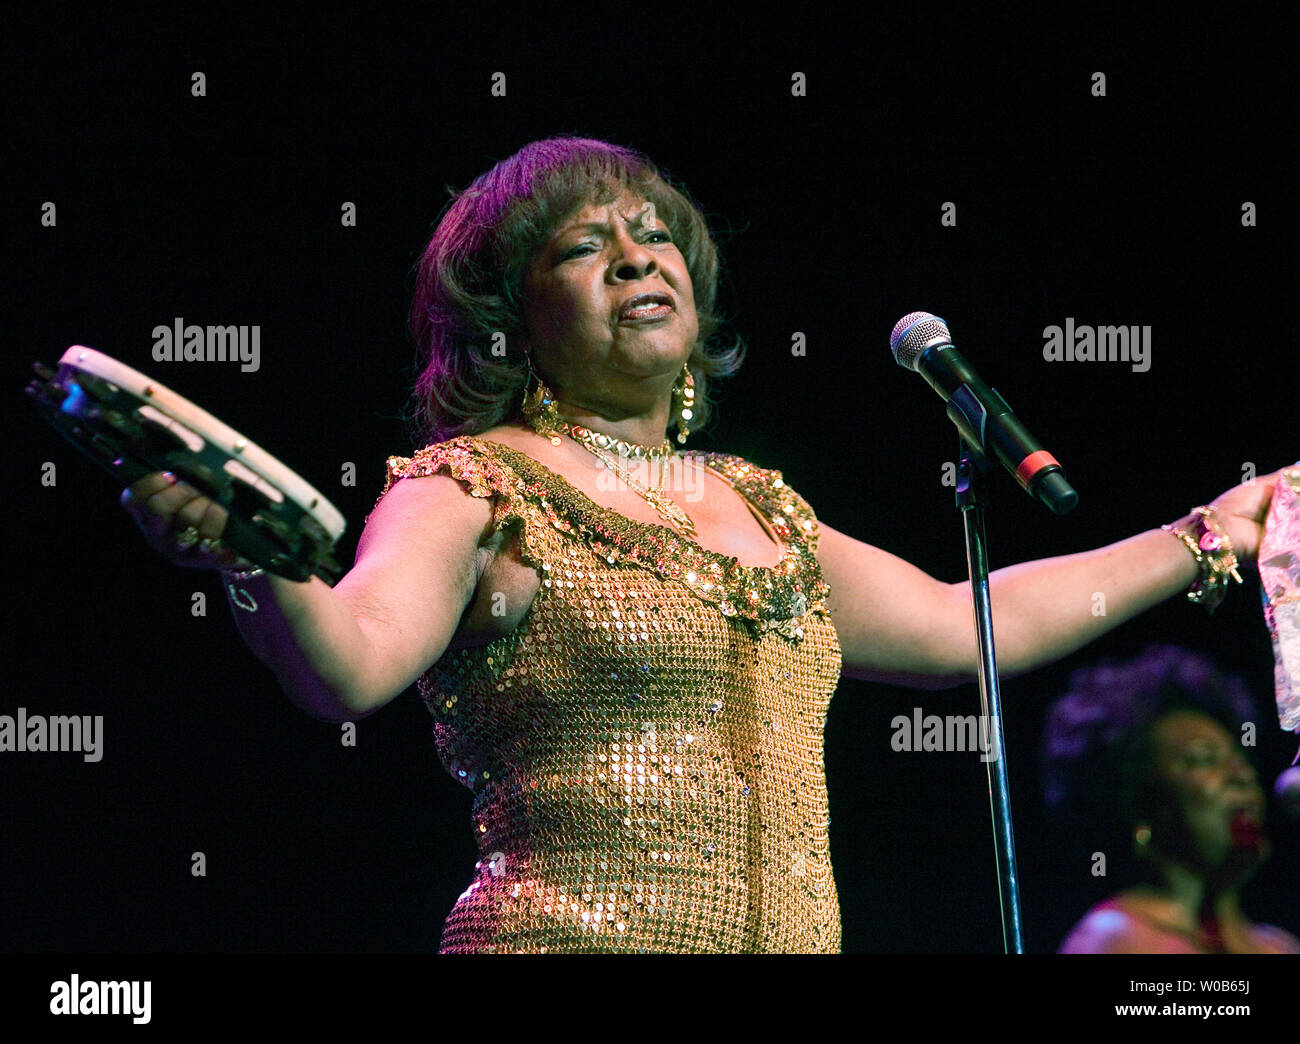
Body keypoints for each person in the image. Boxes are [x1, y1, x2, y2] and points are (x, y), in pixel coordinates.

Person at [118, 136, 1289, 953]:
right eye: (581, 248)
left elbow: (962, 623)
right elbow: (353, 661)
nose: (636, 256)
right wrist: (248, 556)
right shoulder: (473, 486)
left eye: (653, 233)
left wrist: (1207, 532)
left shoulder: (758, 506)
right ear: (509, 321)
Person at [1044, 645, 1299, 953]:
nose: (1242, 775)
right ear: (1141, 803)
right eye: (1204, 760)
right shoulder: (1115, 940)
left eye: (1240, 759)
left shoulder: (1280, 947)